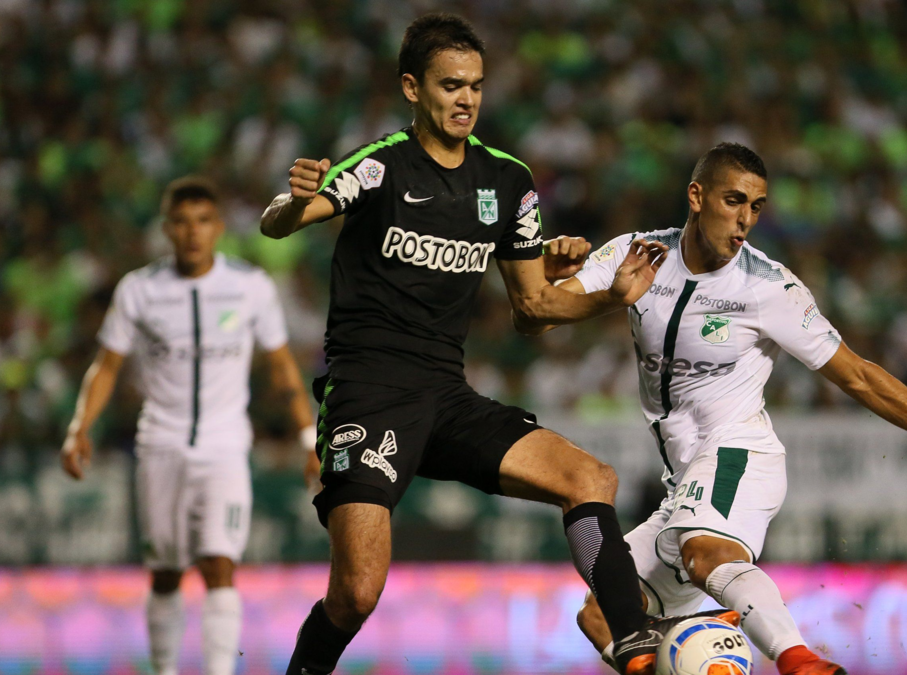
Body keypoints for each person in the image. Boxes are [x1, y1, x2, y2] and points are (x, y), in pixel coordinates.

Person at [259, 13, 727, 675]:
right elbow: (280, 224)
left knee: (589, 478)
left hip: (447, 395)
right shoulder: (382, 165)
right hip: (368, 394)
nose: (467, 99)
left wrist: (608, 296)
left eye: (476, 85)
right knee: (356, 593)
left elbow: (532, 308)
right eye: (450, 85)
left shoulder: (507, 181)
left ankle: (633, 642)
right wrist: (290, 201)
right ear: (412, 88)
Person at [542, 143, 907, 675]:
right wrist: (546, 269)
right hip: (682, 482)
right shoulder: (637, 254)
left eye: (757, 206)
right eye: (733, 201)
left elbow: (858, 375)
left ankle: (800, 662)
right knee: (603, 615)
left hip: (738, 453)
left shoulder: (769, 286)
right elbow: (540, 313)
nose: (745, 219)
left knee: (705, 553)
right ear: (696, 196)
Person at [61, 176, 318, 675]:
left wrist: (309, 437)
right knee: (164, 572)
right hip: (160, 445)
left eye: (202, 221)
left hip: (225, 447)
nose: (192, 232)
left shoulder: (250, 287)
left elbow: (282, 366)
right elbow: (107, 365)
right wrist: (79, 427)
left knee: (220, 564)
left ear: (218, 227)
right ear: (166, 229)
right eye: (181, 222)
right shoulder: (140, 290)